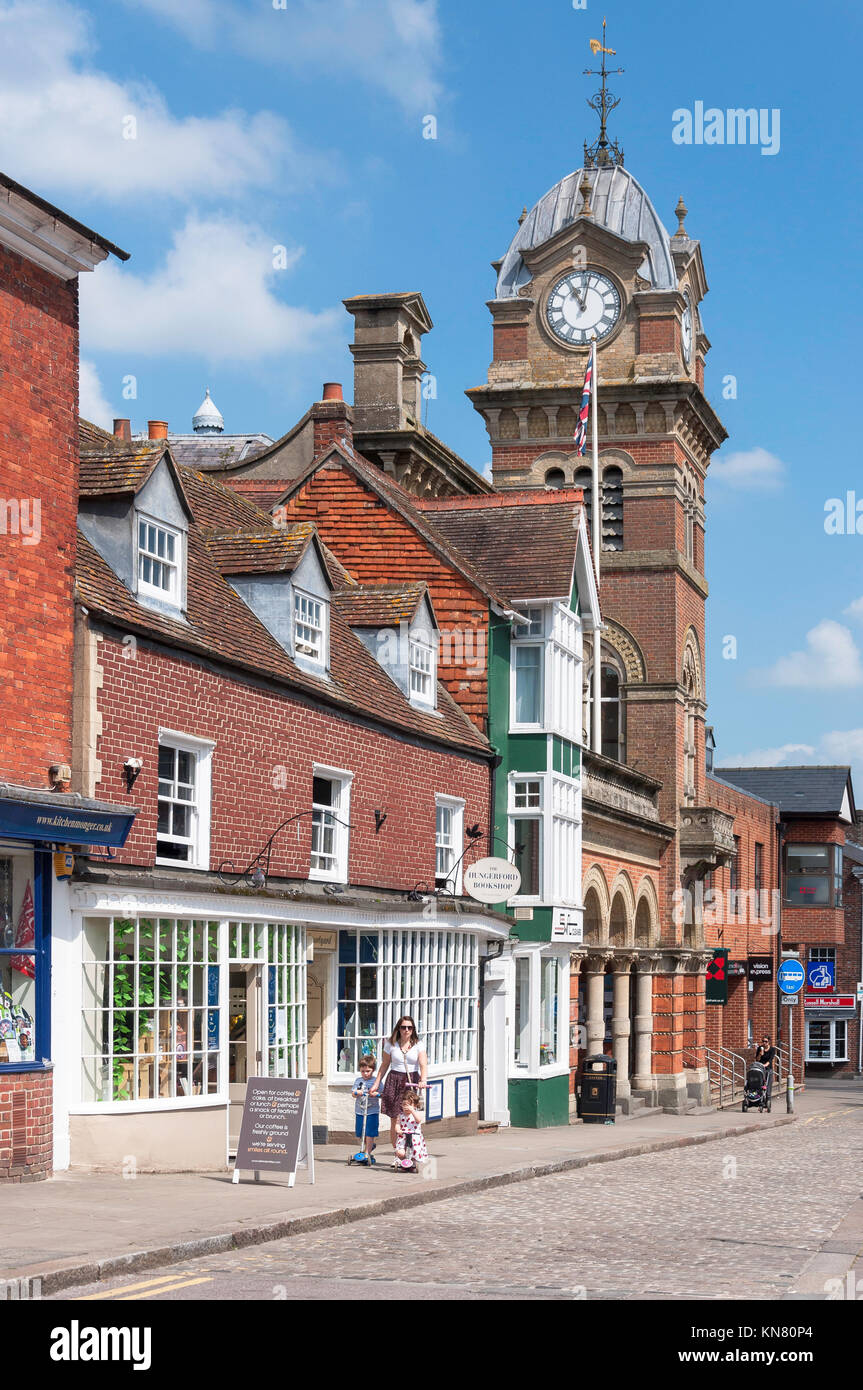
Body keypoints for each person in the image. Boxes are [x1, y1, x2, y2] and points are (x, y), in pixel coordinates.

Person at [369, 1016, 428, 1154]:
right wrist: (376, 1084)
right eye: (403, 1027)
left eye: (409, 1027)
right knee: (395, 1119)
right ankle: (398, 1153)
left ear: (413, 1029)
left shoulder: (419, 1045)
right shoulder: (391, 1044)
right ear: (398, 1028)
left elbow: (423, 1065)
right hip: (394, 1081)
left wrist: (423, 1079)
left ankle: (411, 1151)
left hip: (411, 1081)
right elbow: (384, 1065)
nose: (406, 1030)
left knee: (410, 1117)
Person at [351, 1053, 379, 1160]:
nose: (365, 1074)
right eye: (363, 1071)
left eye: (368, 1071)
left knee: (369, 1132)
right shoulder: (358, 1081)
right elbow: (353, 1094)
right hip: (360, 1110)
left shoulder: (375, 1081)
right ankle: (368, 1146)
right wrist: (356, 1092)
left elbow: (382, 1093)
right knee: (360, 1132)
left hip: (372, 1111)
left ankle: (367, 1151)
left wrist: (376, 1094)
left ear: (372, 1070)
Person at [394, 1089, 428, 1171]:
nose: (406, 1107)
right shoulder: (401, 1115)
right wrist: (398, 1130)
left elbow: (418, 1120)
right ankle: (403, 1161)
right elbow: (397, 1124)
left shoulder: (415, 1114)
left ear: (415, 1106)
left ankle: (412, 1163)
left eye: (409, 1105)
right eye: (404, 1105)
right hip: (403, 1136)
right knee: (400, 1152)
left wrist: (412, 1111)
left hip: (414, 1137)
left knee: (414, 1152)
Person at [755, 1036, 778, 1100]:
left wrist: (765, 1065)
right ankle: (758, 1098)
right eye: (763, 1041)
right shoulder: (760, 1048)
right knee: (759, 1083)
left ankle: (768, 1099)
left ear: (769, 1042)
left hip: (768, 1068)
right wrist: (760, 1054)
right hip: (760, 1068)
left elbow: (770, 1059)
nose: (764, 1043)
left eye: (766, 1041)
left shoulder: (772, 1049)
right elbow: (757, 1059)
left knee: (768, 1084)